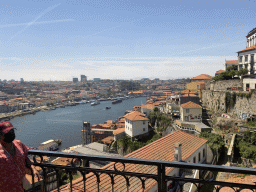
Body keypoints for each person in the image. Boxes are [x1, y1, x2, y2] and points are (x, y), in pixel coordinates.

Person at [0, 121, 41, 192]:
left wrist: (33, 168)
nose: (11, 133)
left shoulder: (18, 143)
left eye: (12, 130)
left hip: (20, 186)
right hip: (5, 188)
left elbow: (25, 157)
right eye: (7, 132)